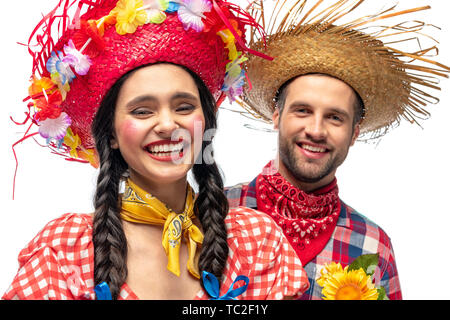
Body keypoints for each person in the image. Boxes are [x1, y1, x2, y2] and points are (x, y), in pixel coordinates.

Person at [3, 0, 309, 300]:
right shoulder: (65, 251)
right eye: (142, 111)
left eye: (184, 107)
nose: (167, 124)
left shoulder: (256, 241)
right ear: (111, 135)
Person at [226, 0, 450, 300]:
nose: (316, 130)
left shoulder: (373, 247)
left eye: (335, 117)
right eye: (302, 110)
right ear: (276, 116)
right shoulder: (209, 213)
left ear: (354, 132)